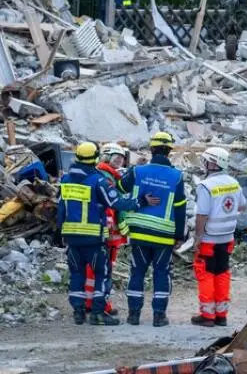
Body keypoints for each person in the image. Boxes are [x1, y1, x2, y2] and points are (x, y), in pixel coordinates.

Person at [57, 142, 152, 326]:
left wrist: (61, 231)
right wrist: (140, 202)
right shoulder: (98, 180)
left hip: (71, 237)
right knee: (102, 273)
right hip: (93, 238)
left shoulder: (66, 180)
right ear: (95, 158)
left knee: (77, 274)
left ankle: (78, 312)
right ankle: (98, 313)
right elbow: (115, 202)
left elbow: (61, 208)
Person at [117, 132, 186, 327]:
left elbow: (119, 189)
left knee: (137, 272)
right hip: (164, 236)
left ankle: (133, 315)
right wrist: (179, 235)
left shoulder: (137, 171)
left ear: (152, 149)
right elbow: (180, 208)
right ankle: (158, 316)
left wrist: (137, 201)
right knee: (162, 273)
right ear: (169, 151)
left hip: (139, 233)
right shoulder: (177, 176)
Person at [191, 148, 246, 327]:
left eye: (206, 161)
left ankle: (207, 316)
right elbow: (242, 207)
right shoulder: (233, 183)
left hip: (209, 239)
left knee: (206, 274)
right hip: (227, 238)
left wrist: (197, 238)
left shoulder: (206, 186)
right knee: (222, 273)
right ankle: (221, 315)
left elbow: (202, 215)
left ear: (212, 163)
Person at [84, 143, 129, 317]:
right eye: (116, 156)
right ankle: (103, 305)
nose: (120, 160)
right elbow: (111, 206)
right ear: (105, 157)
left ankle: (90, 301)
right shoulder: (106, 177)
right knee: (105, 269)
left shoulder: (105, 175)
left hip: (100, 230)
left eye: (122, 157)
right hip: (107, 232)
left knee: (93, 267)